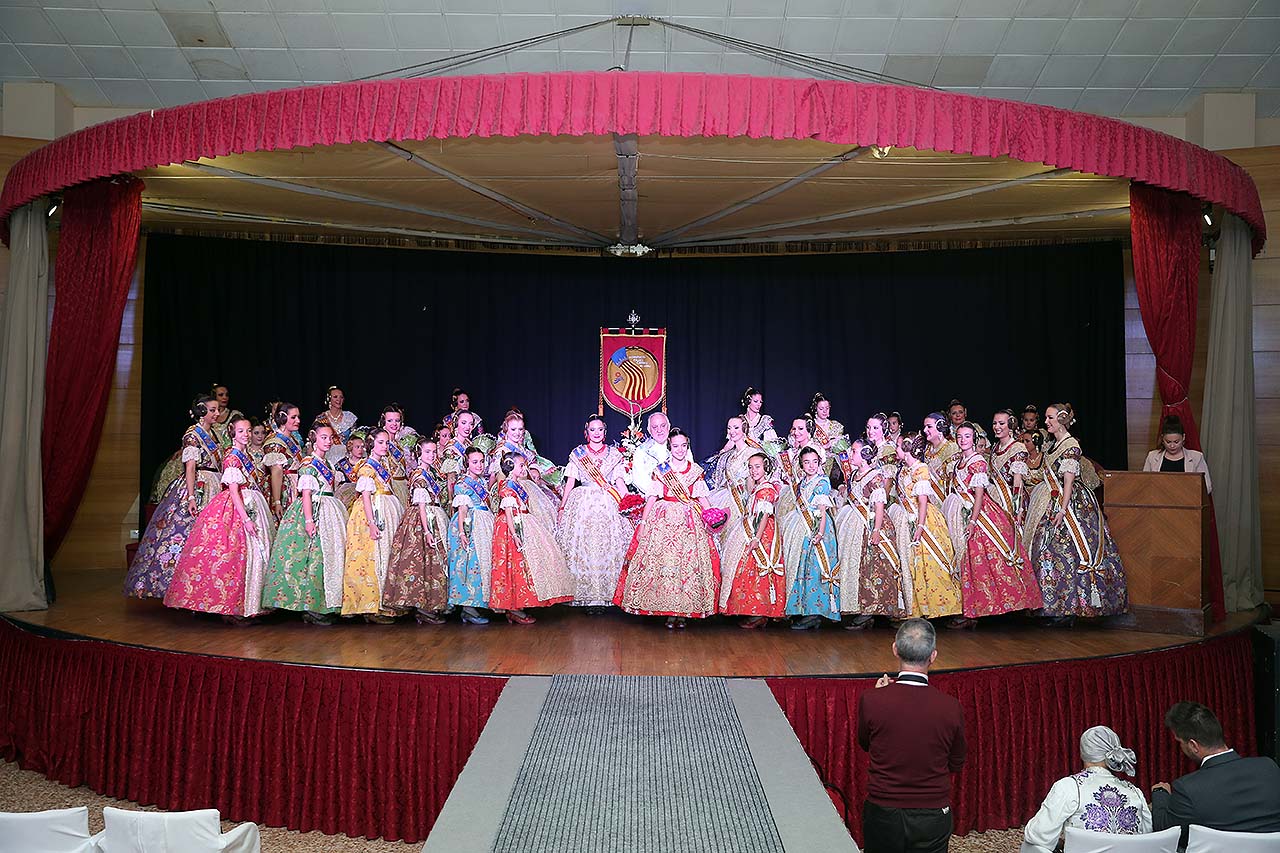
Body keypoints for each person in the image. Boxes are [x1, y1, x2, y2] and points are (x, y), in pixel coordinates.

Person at [857, 619, 965, 853]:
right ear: (933, 656)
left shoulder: (872, 700)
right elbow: (956, 762)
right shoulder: (951, 707)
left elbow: (866, 743)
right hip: (932, 814)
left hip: (883, 811)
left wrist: (881, 697)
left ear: (895, 649)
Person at [1025, 404, 1128, 623]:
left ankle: (1070, 608)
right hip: (1050, 497)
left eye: (1050, 417)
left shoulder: (1071, 446)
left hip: (1070, 503)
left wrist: (1063, 509)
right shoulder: (1054, 444)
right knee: (1049, 552)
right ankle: (1054, 605)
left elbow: (1069, 481)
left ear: (1061, 420)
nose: (1046, 421)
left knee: (1066, 551)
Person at [165, 416, 276, 620]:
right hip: (237, 508)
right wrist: (246, 519)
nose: (246, 435)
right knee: (233, 554)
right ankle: (234, 606)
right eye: (241, 431)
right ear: (232, 433)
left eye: (249, 431)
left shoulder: (247, 455)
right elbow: (234, 491)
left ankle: (251, 603)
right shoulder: (232, 457)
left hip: (253, 503)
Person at [614, 428, 720, 629]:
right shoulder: (661, 470)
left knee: (687, 565)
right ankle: (669, 611)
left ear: (687, 446)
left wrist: (712, 516)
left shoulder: (695, 470)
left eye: (683, 446)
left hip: (689, 521)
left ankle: (684, 611)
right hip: (662, 519)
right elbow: (652, 497)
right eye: (675, 446)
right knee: (664, 564)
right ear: (670, 447)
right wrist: (644, 523)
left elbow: (702, 497)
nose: (679, 450)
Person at [944, 422, 1042, 629]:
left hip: (978, 515)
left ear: (974, 438)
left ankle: (978, 611)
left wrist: (972, 520)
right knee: (965, 561)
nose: (963, 440)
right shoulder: (959, 461)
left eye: (968, 437)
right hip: (959, 511)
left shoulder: (978, 462)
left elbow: (979, 495)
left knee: (979, 561)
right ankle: (969, 609)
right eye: (960, 436)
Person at [126, 395, 224, 600]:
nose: (217, 413)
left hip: (215, 482)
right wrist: (190, 497)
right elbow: (189, 467)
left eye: (217, 410)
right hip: (199, 485)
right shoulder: (192, 435)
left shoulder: (213, 433)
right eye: (213, 410)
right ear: (202, 411)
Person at [1152, 701, 1280, 837]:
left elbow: (1165, 833)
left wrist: (1160, 793)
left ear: (1193, 745)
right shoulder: (1269, 768)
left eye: (1180, 742)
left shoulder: (1188, 788)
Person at [261, 425, 347, 624]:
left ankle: (326, 603)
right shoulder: (308, 464)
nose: (327, 441)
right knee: (313, 557)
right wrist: (309, 520)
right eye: (323, 437)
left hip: (330, 508)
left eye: (330, 437)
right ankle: (311, 606)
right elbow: (306, 494)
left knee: (329, 556)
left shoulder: (328, 464)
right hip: (314, 510)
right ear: (314, 439)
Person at [1023, 726, 1151, 852]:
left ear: (1083, 752)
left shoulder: (1069, 786)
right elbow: (1147, 838)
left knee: (1029, 846)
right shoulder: (1135, 791)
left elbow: (1038, 835)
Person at [556, 415, 632, 611]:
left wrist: (630, 503)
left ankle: (607, 596)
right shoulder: (577, 454)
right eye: (592, 429)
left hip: (609, 503)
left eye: (600, 429)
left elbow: (619, 482)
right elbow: (570, 482)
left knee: (608, 547)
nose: (596, 433)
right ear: (586, 432)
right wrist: (563, 507)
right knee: (585, 548)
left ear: (605, 432)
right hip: (583, 504)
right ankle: (588, 597)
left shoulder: (614, 454)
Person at [488, 453, 575, 624]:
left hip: (522, 522)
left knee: (524, 564)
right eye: (521, 465)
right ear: (511, 466)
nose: (524, 469)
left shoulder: (518, 484)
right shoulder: (507, 485)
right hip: (511, 526)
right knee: (513, 563)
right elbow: (508, 512)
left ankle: (519, 605)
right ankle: (513, 607)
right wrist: (514, 534)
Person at [890, 433, 960, 620]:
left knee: (927, 562)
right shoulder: (903, 469)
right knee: (911, 563)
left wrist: (920, 526)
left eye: (897, 446)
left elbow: (922, 501)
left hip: (922, 520)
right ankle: (914, 606)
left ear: (906, 448)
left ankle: (938, 607)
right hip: (905, 518)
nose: (895, 449)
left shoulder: (921, 469)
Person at [382, 438, 450, 625]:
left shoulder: (430, 473)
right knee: (423, 563)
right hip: (422, 520)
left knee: (432, 564)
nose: (431, 455)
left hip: (433, 515)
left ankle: (429, 605)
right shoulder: (419, 475)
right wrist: (427, 531)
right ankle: (423, 607)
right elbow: (421, 504)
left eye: (434, 452)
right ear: (419, 454)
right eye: (427, 452)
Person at [341, 428, 404, 623]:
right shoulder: (367, 467)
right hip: (373, 512)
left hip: (385, 507)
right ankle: (372, 606)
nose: (385, 446)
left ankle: (385, 603)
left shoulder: (381, 464)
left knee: (385, 555)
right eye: (381, 442)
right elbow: (366, 496)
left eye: (386, 443)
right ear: (371, 444)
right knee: (372, 556)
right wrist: (371, 522)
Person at [841, 439, 905, 630]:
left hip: (872, 525)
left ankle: (872, 610)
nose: (850, 454)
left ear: (866, 454)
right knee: (859, 566)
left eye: (854, 451)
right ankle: (862, 608)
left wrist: (876, 530)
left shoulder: (875, 477)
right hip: (856, 525)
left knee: (873, 567)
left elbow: (879, 505)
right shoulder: (855, 474)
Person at [718, 452, 785, 628]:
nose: (753, 470)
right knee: (745, 569)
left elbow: (763, 515)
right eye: (750, 467)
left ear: (765, 467)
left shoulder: (766, 489)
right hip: (752, 527)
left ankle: (760, 613)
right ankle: (752, 611)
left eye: (757, 467)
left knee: (755, 568)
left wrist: (756, 538)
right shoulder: (758, 486)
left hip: (761, 532)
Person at [783, 446, 841, 630]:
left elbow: (822, 511)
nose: (811, 466)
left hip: (818, 529)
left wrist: (820, 533)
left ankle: (815, 613)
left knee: (816, 569)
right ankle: (804, 610)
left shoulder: (822, 482)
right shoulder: (803, 483)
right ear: (801, 464)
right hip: (803, 527)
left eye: (814, 462)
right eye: (807, 462)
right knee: (804, 568)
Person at [447, 447, 495, 625]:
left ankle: (478, 604)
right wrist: (462, 532)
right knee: (469, 564)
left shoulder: (481, 482)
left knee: (481, 563)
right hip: (469, 524)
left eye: (481, 461)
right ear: (467, 463)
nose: (479, 465)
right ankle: (468, 608)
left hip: (483, 522)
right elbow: (462, 510)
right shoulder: (462, 484)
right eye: (475, 462)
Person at [1143, 416, 1212, 493]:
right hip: (1158, 500)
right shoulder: (1152, 456)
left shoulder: (1197, 457)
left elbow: (1207, 487)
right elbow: (1145, 484)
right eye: (1168, 442)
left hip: (1187, 501)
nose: (1172, 446)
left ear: (1183, 437)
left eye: (1176, 442)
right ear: (1162, 438)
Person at [262, 402, 304, 522]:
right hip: (284, 490)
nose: (298, 420)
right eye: (293, 417)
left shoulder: (294, 439)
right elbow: (276, 472)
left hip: (296, 487)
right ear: (282, 418)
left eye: (298, 417)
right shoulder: (274, 442)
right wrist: (277, 501)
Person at [988, 408, 1029, 521]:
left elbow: (1017, 483)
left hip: (1009, 500)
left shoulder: (1017, 448)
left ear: (1010, 425)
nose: (997, 427)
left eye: (1001, 423)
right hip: (992, 498)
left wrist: (1017, 509)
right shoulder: (995, 447)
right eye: (994, 423)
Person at [628, 411, 671, 497]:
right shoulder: (641, 451)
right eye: (655, 427)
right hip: (652, 499)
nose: (659, 430)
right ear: (649, 430)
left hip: (678, 498)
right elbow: (639, 479)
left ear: (669, 426)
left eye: (663, 426)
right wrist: (660, 494)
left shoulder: (680, 447)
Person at [314, 386, 357, 465]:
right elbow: (315, 440)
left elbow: (355, 439)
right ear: (329, 399)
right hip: (327, 456)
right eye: (335, 397)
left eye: (341, 397)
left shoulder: (350, 417)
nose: (338, 399)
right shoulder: (321, 418)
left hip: (347, 459)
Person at [809, 392, 850, 460]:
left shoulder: (836, 426)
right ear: (815, 409)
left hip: (835, 464)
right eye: (821, 409)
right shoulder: (810, 426)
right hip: (816, 462)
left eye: (827, 408)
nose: (825, 411)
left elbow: (843, 447)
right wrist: (825, 446)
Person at [334, 431, 366, 511]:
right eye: (357, 447)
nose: (360, 450)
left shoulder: (367, 463)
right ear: (350, 448)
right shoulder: (341, 465)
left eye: (362, 447)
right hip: (345, 500)